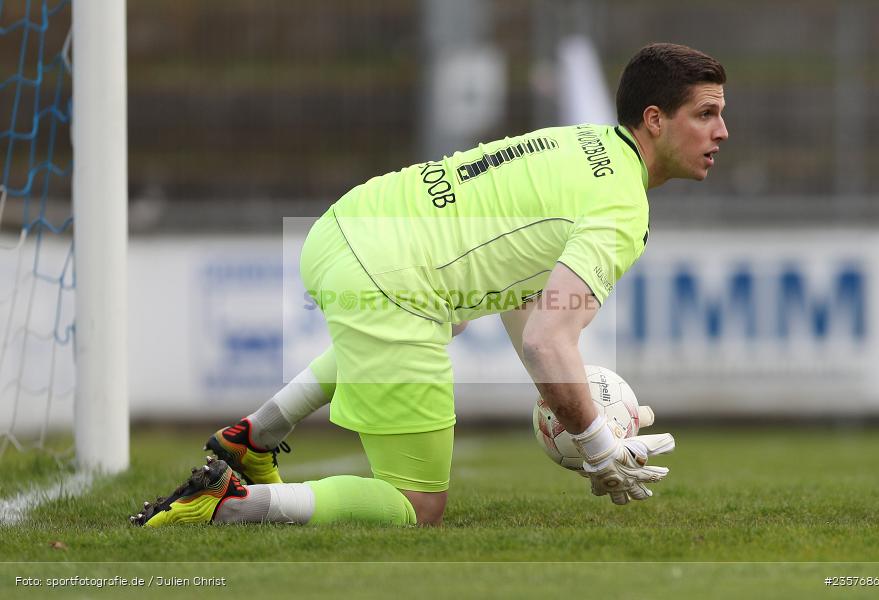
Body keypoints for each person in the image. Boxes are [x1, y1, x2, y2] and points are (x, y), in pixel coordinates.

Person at [131, 42, 728, 527]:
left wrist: (561, 399)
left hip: (345, 226)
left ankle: (253, 438)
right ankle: (232, 505)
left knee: (438, 319)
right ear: (654, 120)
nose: (721, 131)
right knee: (417, 506)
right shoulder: (622, 203)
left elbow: (526, 305)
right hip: (392, 272)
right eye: (706, 114)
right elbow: (551, 340)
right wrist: (598, 446)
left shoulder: (583, 143)